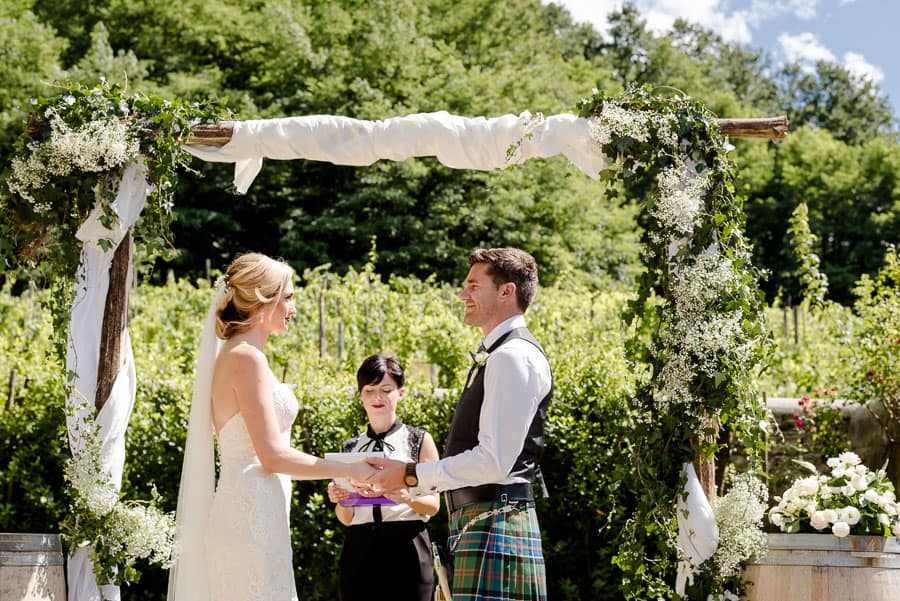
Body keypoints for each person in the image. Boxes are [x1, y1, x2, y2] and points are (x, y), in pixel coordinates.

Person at [167, 253, 375, 601]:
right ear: (263, 299)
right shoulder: (246, 358)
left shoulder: (241, 355)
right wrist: (350, 467)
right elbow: (272, 456)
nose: (294, 307)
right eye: (289, 297)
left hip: (258, 506)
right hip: (250, 512)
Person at [367, 247, 553, 601]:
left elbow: (493, 461)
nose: (462, 295)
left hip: (497, 523)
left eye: (473, 285)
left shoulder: (513, 357)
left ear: (506, 291)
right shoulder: (499, 354)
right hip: (482, 523)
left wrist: (411, 474)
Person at [327, 355, 440, 601]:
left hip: (408, 546)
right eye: (370, 390)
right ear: (361, 396)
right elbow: (346, 519)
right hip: (360, 550)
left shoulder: (419, 440)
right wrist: (340, 499)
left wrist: (406, 496)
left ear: (401, 393)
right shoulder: (349, 449)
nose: (377, 397)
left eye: (386, 390)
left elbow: (434, 504)